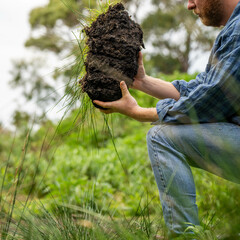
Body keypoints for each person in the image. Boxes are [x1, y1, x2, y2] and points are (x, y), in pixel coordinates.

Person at [93, 0, 240, 236]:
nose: (189, 5)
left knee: (161, 137)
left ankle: (184, 235)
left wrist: (138, 112)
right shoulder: (231, 31)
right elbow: (202, 88)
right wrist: (141, 82)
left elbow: (210, 101)